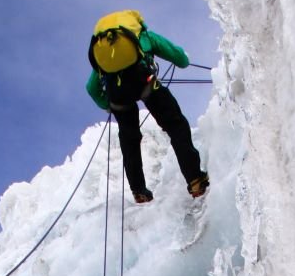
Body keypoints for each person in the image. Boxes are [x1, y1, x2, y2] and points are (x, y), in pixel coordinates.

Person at [86, 10, 209, 205]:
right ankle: (195, 180)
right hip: (146, 85)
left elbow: (91, 88)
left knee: (130, 142)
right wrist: (184, 59)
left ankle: (139, 191)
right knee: (176, 125)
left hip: (119, 99)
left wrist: (108, 105)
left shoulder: (104, 54)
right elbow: (179, 57)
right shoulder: (143, 36)